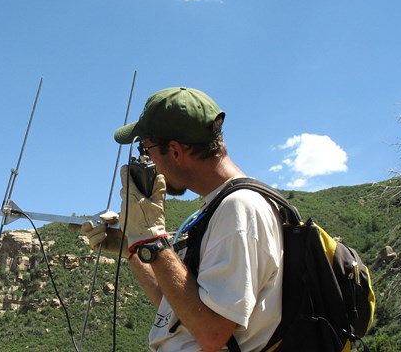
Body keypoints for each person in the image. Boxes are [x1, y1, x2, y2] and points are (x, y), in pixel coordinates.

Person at [81, 87, 283, 352]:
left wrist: (152, 238)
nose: (146, 158)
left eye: (146, 147)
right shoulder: (217, 209)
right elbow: (182, 310)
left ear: (175, 151)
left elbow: (211, 334)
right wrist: (133, 244)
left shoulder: (239, 209)